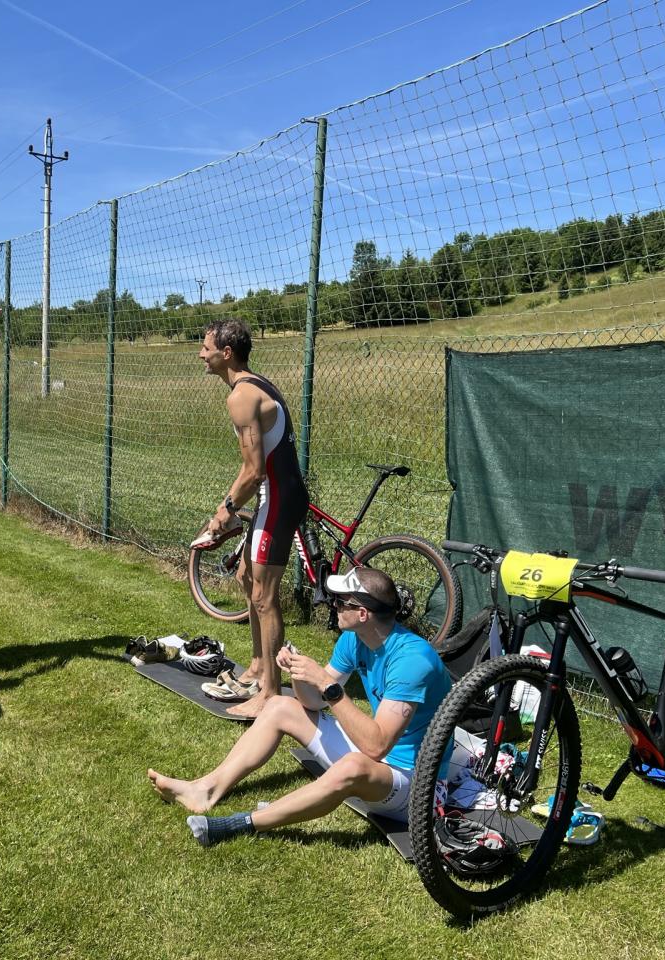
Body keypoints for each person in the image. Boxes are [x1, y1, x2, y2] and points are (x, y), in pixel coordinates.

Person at [148, 566, 452, 846]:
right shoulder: (355, 639)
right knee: (280, 706)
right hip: (378, 761)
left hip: (418, 785)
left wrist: (327, 684)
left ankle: (241, 824)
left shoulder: (412, 661)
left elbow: (376, 745)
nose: (334, 606)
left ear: (362, 614)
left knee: (353, 766)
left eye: (341, 602)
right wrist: (299, 674)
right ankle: (205, 790)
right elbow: (313, 702)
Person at [196, 316, 308, 718]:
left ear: (226, 353)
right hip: (274, 496)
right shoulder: (254, 384)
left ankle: (270, 696)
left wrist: (223, 512)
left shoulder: (241, 396)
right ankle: (259, 667)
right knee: (246, 576)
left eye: (206, 348)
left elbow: (254, 470)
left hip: (278, 499)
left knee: (263, 596)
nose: (201, 355)